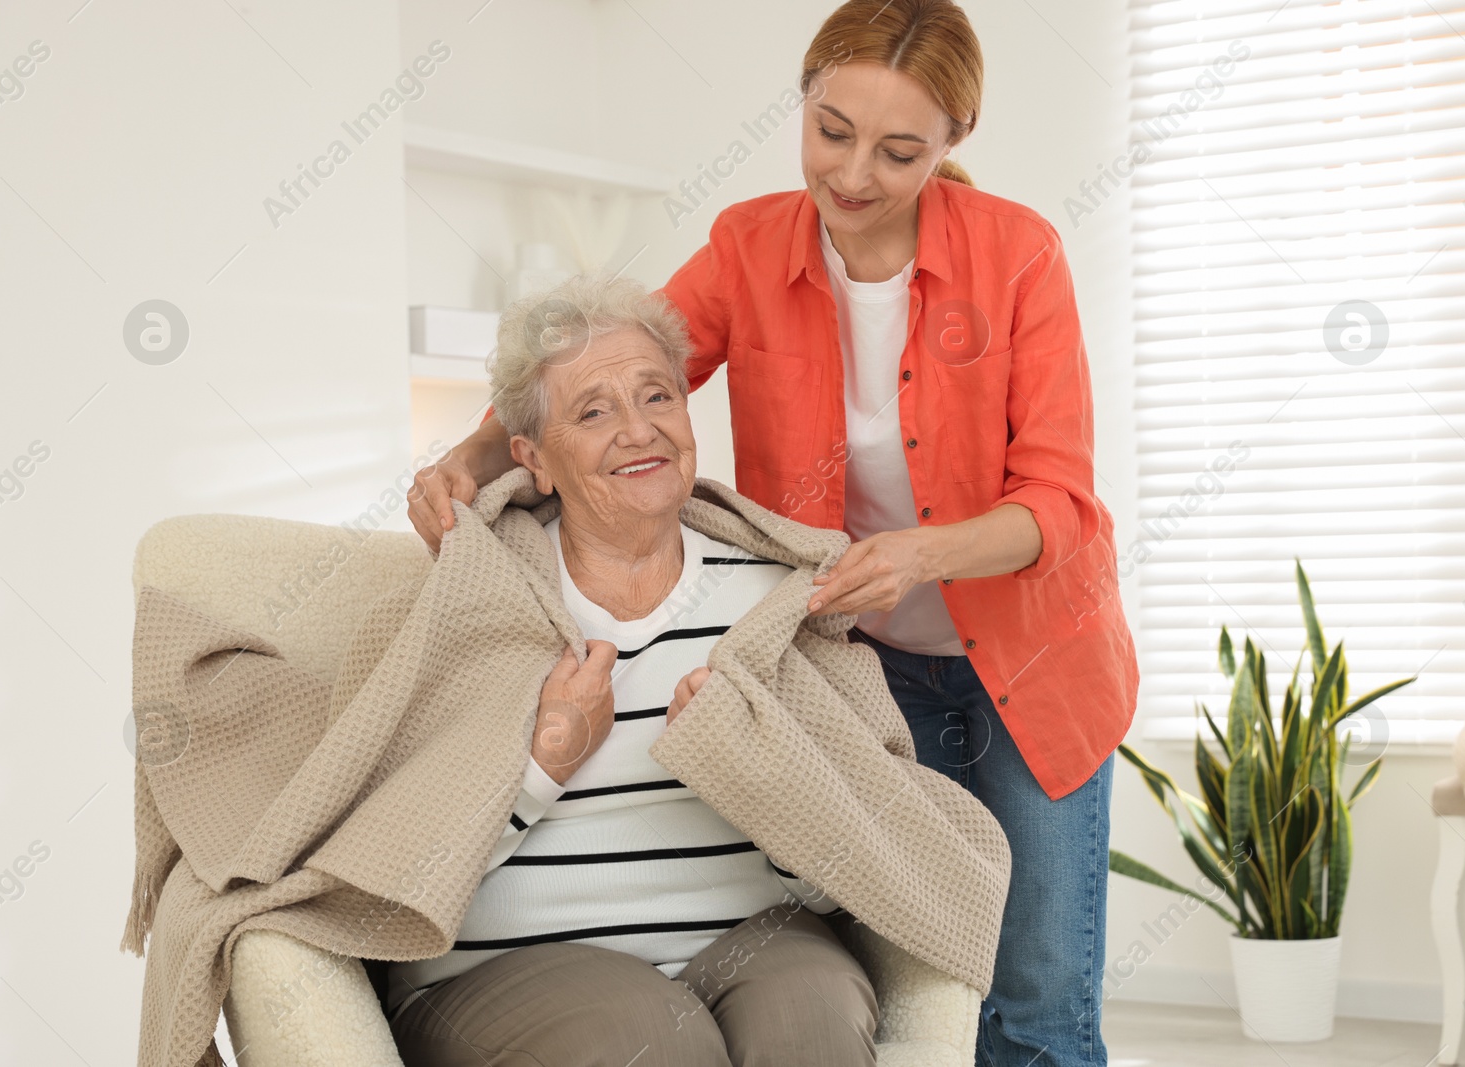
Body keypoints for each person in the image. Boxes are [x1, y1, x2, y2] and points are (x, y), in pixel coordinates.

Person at [407, 2, 1138, 1064]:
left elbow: (1060, 505)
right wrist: (469, 460)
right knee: (927, 971)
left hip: (1036, 664)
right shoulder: (749, 246)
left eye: (898, 151)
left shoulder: (1017, 255)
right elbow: (611, 362)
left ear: (951, 145)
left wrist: (917, 554)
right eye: (830, 130)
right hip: (871, 670)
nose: (850, 174)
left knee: (1034, 1001)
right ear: (802, 101)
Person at [389, 273, 878, 1067]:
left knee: (814, 1023)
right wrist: (544, 763)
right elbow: (396, 864)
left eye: (657, 397)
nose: (638, 430)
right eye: (592, 410)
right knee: (654, 1043)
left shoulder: (773, 598)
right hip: (504, 967)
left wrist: (768, 784)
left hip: (748, 936)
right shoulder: (478, 594)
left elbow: (851, 874)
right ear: (532, 459)